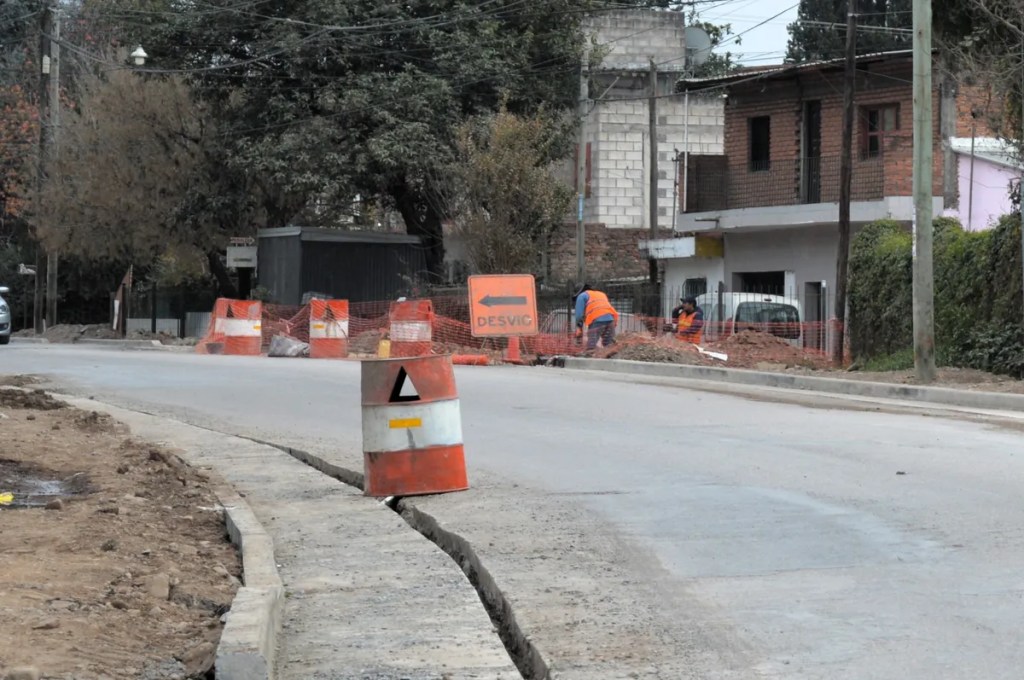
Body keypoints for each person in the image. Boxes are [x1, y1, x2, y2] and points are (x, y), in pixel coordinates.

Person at [573, 284, 619, 351]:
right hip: (610, 320)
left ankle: (590, 356)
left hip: (597, 320)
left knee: (591, 346)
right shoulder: (601, 294)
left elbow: (579, 315)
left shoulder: (581, 296)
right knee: (609, 346)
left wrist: (579, 327)